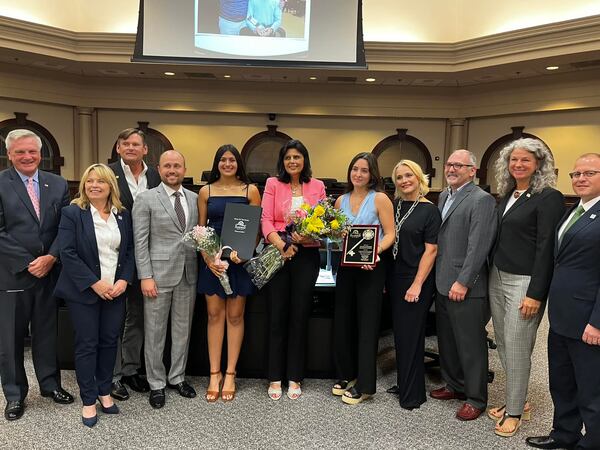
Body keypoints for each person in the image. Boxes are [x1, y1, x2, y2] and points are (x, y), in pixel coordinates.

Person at [488, 139, 564, 437]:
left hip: (524, 281)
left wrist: (536, 293)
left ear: (539, 164)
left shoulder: (549, 197)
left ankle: (515, 412)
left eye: (525, 161)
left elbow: (547, 248)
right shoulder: (508, 194)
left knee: (518, 345)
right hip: (498, 275)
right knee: (505, 343)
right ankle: (519, 400)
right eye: (513, 160)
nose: (518, 165)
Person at [526, 153, 600, 450]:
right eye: (576, 174)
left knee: (592, 387)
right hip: (561, 315)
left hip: (588, 319)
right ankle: (564, 433)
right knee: (562, 381)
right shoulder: (573, 210)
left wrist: (597, 322)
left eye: (589, 173)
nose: (580, 179)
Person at [0, 129, 74, 421]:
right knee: (11, 339)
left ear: (40, 153)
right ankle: (15, 395)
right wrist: (30, 262)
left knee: (47, 334)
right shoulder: (1, 183)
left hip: (49, 273)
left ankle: (50, 385)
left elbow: (65, 226)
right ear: (10, 155)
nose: (28, 157)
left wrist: (51, 257)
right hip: (13, 275)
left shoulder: (56, 183)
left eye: (32, 151)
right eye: (20, 152)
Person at [54, 164, 134, 427]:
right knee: (87, 344)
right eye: (90, 181)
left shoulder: (122, 214)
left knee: (110, 342)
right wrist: (94, 284)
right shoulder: (72, 213)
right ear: (84, 186)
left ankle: (104, 391)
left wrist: (124, 280)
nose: (94, 185)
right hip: (85, 292)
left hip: (115, 291)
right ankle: (89, 400)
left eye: (101, 181)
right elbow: (67, 253)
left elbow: (129, 251)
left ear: (111, 185)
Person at [429, 149, 496, 421]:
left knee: (470, 345)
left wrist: (463, 281)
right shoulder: (445, 195)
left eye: (459, 165)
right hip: (442, 282)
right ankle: (455, 385)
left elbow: (478, 247)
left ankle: (476, 398)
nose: (452, 169)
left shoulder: (482, 200)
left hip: (464, 286)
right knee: (448, 341)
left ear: (473, 171)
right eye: (449, 164)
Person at [132, 150, 198, 409]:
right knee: (155, 332)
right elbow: (140, 242)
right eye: (167, 166)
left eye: (177, 166)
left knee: (183, 330)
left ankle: (177, 377)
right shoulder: (146, 198)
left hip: (188, 274)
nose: (173, 170)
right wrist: (145, 276)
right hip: (156, 277)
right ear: (158, 169)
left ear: (184, 169)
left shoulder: (193, 198)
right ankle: (156, 382)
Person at [261, 139, 326, 400]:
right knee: (277, 317)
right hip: (278, 255)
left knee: (299, 317)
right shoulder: (272, 184)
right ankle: (275, 376)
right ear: (282, 161)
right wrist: (282, 244)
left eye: (297, 157)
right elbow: (265, 220)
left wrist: (305, 238)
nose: (292, 162)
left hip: (306, 256)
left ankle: (295, 377)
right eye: (288, 157)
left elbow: (323, 223)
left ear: (304, 160)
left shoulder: (317, 185)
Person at [198, 145, 261, 402]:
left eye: (231, 160)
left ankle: (231, 373)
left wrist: (245, 252)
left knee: (235, 316)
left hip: (239, 261)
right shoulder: (206, 191)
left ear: (238, 163)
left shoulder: (250, 190)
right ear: (216, 163)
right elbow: (200, 230)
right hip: (212, 261)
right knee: (214, 315)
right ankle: (214, 374)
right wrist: (207, 258)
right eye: (222, 159)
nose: (227, 164)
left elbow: (255, 228)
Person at [332, 152, 395, 405]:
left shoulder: (380, 198)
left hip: (372, 268)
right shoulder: (340, 201)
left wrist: (374, 254)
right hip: (346, 269)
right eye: (355, 169)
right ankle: (347, 374)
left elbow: (391, 234)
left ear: (372, 175)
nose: (358, 174)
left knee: (367, 326)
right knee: (344, 322)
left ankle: (366, 384)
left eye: (364, 170)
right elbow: (338, 237)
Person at [108, 128, 161, 401]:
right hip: (116, 256)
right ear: (118, 148)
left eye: (135, 144)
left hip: (148, 257)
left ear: (145, 149)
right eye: (125, 143)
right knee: (116, 318)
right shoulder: (107, 175)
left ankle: (130, 369)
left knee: (137, 317)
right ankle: (113, 376)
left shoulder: (155, 175)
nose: (130, 147)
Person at [385, 160, 441, 410]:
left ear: (419, 178)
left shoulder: (430, 210)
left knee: (411, 335)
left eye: (409, 175)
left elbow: (431, 251)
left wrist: (417, 284)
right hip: (395, 277)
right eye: (399, 177)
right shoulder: (395, 205)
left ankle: (413, 395)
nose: (404, 180)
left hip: (415, 279)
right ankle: (405, 383)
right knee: (401, 334)